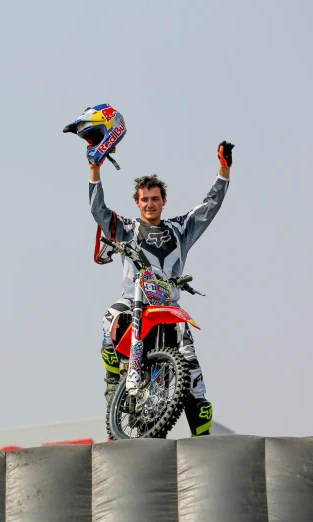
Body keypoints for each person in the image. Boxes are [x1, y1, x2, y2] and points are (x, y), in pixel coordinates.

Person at [86, 141, 234, 436]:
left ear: (164, 201)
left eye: (155, 198)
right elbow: (98, 211)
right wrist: (94, 169)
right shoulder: (126, 228)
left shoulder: (180, 229)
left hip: (170, 308)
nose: (150, 204)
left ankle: (203, 440)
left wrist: (224, 170)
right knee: (110, 318)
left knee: (194, 377)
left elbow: (209, 206)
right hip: (134, 302)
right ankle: (113, 380)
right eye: (144, 199)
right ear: (137, 203)